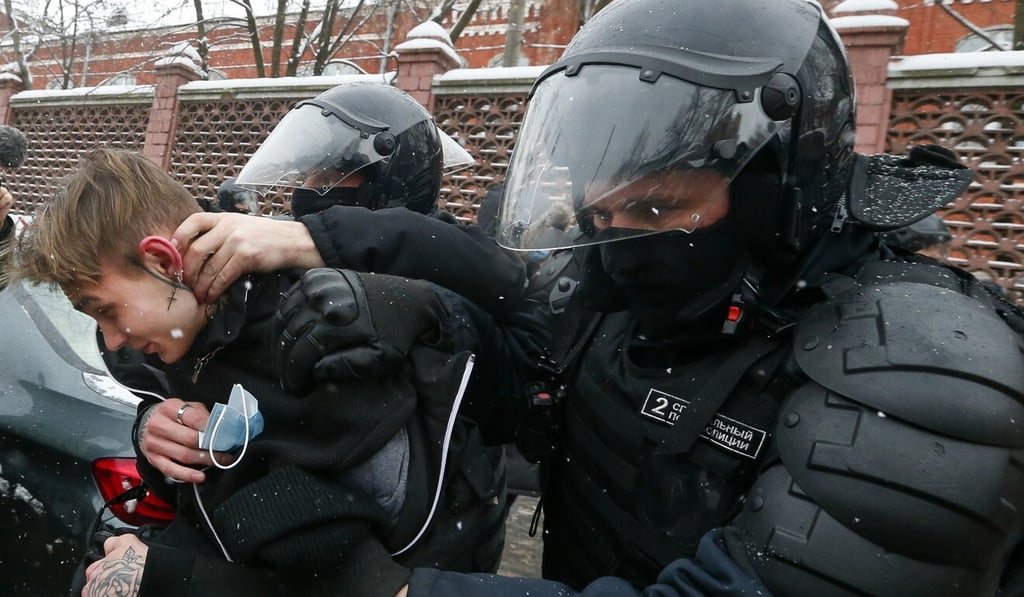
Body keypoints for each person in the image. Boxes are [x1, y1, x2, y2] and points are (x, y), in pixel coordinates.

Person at [83, 1, 1024, 595]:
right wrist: (172, 423)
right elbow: (508, 377)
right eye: (601, 213)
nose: (619, 245)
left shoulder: (919, 363)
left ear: (777, 185)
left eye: (655, 208)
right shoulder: (625, 301)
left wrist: (387, 588)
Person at [12, 148, 507, 596]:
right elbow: (204, 499)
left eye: (105, 310)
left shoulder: (321, 326)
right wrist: (153, 440)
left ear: (163, 261)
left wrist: (169, 575)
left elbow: (347, 565)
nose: (111, 339)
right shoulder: (168, 345)